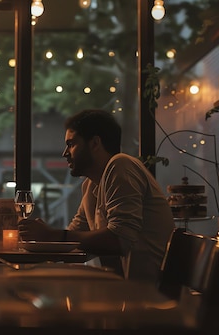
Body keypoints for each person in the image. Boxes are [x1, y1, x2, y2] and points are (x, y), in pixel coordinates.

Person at [18, 109, 175, 282]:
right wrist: (42, 237)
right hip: (121, 291)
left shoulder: (121, 165)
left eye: (71, 144)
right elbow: (75, 235)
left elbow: (120, 239)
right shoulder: (91, 184)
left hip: (148, 295)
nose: (65, 153)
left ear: (94, 143)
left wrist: (53, 235)